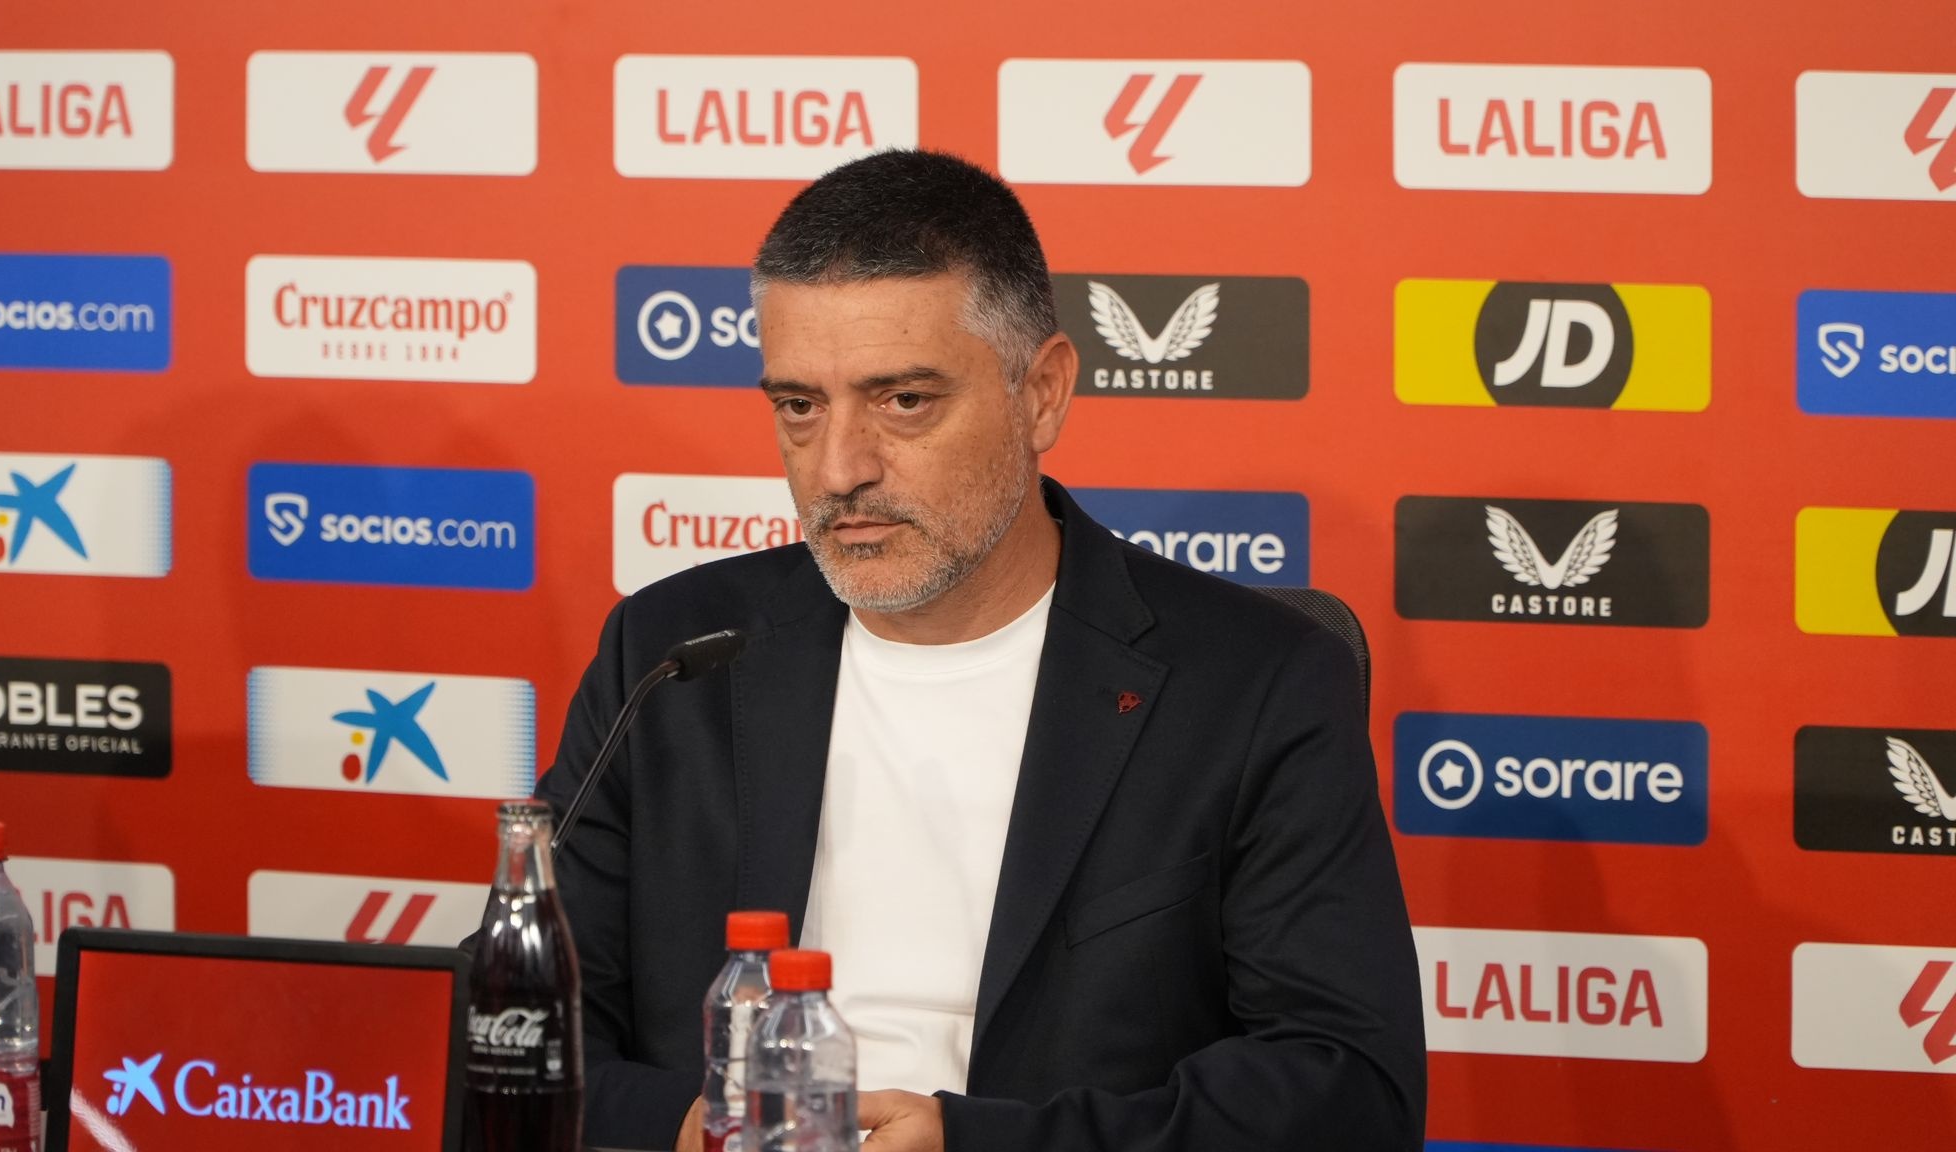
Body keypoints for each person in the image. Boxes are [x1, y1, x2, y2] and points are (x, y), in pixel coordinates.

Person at [536, 148, 1424, 1152]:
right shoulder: (669, 657)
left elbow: (1346, 1089)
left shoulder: (1254, 683)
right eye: (798, 405)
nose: (839, 469)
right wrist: (690, 1128)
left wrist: (981, 1145)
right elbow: (518, 1028)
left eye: (901, 400)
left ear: (1040, 393)